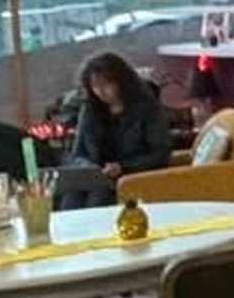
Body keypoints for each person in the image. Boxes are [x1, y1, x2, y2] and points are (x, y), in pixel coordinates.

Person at [60, 51, 172, 195]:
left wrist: (123, 167)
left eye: (106, 84)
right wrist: (89, 167)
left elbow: (160, 154)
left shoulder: (147, 108)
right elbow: (78, 153)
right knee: (71, 196)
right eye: (95, 86)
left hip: (133, 177)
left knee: (100, 197)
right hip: (96, 178)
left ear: (121, 82)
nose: (101, 91)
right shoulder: (90, 110)